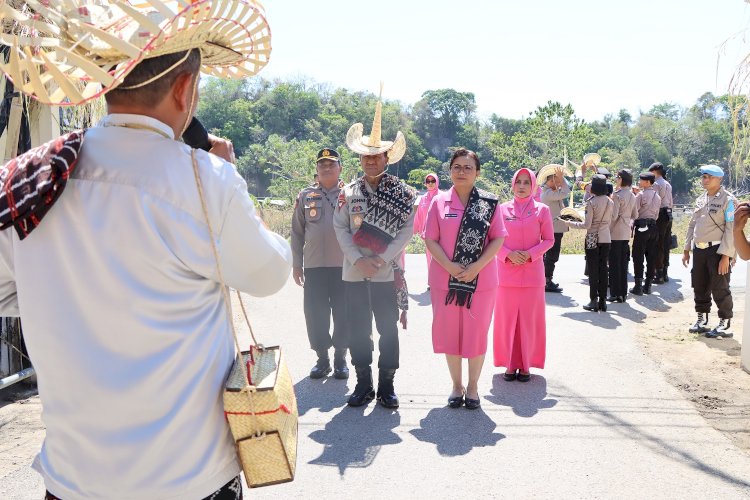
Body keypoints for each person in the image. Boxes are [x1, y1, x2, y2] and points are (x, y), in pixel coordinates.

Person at [0, 3, 289, 499]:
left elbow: (9, 294)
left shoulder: (33, 179)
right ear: (185, 88)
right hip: (189, 481)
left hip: (73, 483)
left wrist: (72, 297)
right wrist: (230, 174)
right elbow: (270, 273)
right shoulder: (205, 180)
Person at [333, 96, 416, 409]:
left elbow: (407, 230)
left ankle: (387, 386)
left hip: (384, 272)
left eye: (377, 155)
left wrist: (381, 259)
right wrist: (358, 259)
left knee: (387, 330)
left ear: (387, 158)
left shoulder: (402, 193)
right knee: (358, 330)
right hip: (354, 273)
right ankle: (363, 384)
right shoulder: (348, 192)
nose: (371, 161)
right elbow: (340, 227)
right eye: (366, 156)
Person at [424, 149, 506, 409]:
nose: (461, 171)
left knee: (476, 334)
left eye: (467, 167)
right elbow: (429, 238)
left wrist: (477, 267)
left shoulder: (489, 203)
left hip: (480, 283)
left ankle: (472, 387)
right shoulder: (439, 203)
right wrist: (449, 266)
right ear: (449, 171)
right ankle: (456, 386)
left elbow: (498, 238)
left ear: (477, 172)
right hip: (444, 281)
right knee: (450, 334)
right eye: (457, 167)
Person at [292, 148, 350, 379]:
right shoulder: (305, 196)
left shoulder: (350, 194)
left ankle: (340, 359)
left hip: (344, 267)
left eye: (331, 164)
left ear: (340, 168)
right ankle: (322, 358)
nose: (326, 167)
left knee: (343, 313)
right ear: (316, 169)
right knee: (315, 314)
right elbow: (296, 232)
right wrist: (297, 264)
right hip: (314, 267)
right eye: (322, 164)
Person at [494, 168, 554, 382]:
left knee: (529, 321)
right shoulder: (501, 210)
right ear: (512, 184)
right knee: (506, 320)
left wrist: (530, 255)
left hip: (532, 274)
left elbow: (549, 240)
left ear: (533, 186)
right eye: (518, 182)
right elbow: (491, 240)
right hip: (506, 275)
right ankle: (509, 364)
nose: (521, 186)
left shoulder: (542, 210)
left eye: (526, 182)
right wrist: (507, 255)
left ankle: (526, 365)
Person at [682, 165, 736, 338]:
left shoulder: (728, 201)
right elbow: (692, 224)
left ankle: (724, 322)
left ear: (719, 179)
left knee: (720, 287)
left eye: (708, 177)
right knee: (699, 284)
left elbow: (731, 228)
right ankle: (702, 318)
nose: (704, 180)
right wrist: (686, 248)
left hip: (717, 250)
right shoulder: (701, 199)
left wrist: (726, 256)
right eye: (703, 177)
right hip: (700, 249)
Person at [562, 175, 614, 311]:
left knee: (593, 269)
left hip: (592, 237)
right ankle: (603, 301)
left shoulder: (591, 203)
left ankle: (593, 300)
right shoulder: (610, 202)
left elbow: (587, 224)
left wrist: (570, 223)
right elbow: (612, 219)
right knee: (604, 269)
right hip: (606, 238)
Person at [538, 164, 570, 293]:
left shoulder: (550, 192)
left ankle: (546, 279)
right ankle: (546, 280)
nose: (559, 183)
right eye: (556, 181)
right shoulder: (548, 194)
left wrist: (561, 179)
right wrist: (562, 179)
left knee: (550, 256)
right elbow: (566, 192)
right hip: (553, 229)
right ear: (550, 181)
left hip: (554, 228)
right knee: (552, 256)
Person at [607, 169, 638, 303]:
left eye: (617, 177)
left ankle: (615, 293)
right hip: (626, 232)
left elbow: (613, 216)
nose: (615, 179)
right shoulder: (632, 195)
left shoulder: (617, 195)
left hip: (615, 232)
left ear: (621, 179)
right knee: (623, 264)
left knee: (614, 264)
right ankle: (623, 293)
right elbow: (635, 215)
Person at [630, 171, 661, 295]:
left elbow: (634, 212)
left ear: (647, 182)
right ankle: (647, 286)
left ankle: (638, 286)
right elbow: (657, 215)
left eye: (641, 180)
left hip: (642, 227)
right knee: (651, 257)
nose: (639, 182)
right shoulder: (657, 196)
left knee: (638, 256)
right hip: (654, 227)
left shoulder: (641, 195)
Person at [649, 162, 674, 284]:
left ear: (654, 171)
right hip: (669, 213)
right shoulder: (667, 183)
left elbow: (654, 200)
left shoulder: (656, 184)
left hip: (660, 214)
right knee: (666, 243)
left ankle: (658, 273)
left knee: (658, 244)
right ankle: (665, 272)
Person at [413, 171, 441, 276]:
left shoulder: (443, 196)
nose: (430, 183)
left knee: (441, 258)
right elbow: (419, 216)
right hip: (428, 234)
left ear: (437, 182)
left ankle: (443, 280)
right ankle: (432, 281)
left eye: (433, 181)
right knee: (429, 257)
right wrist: (412, 231)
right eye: (428, 181)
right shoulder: (423, 198)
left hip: (441, 234)